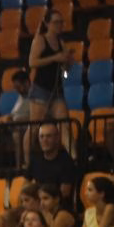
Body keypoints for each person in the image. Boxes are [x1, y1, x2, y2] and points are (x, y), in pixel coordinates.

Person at [26, 9, 71, 156]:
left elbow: (65, 71)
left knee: (65, 125)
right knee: (34, 128)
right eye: (56, 22)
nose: (59, 25)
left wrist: (67, 62)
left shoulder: (61, 43)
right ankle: (24, 162)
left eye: (61, 22)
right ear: (47, 24)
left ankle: (74, 158)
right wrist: (54, 58)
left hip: (57, 88)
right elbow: (32, 62)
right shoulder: (40, 40)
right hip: (41, 88)